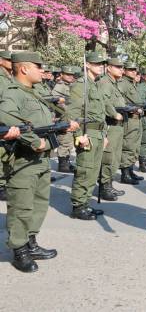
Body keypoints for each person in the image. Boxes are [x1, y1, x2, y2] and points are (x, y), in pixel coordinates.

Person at [0, 51, 78, 272]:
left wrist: (62, 125)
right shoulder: (12, 93)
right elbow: (7, 119)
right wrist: (36, 142)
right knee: (22, 206)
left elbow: (42, 121)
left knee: (39, 204)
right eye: (38, 66)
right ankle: (19, 250)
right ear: (24, 68)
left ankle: (31, 242)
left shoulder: (35, 92)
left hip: (41, 161)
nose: (43, 71)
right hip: (23, 161)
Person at [65, 52, 109, 220]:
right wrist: (78, 135)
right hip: (86, 133)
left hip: (97, 133)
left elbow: (101, 113)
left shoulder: (96, 84)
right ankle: (78, 206)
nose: (100, 66)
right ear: (87, 65)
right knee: (84, 170)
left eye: (101, 63)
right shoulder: (80, 85)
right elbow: (73, 113)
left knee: (93, 172)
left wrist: (104, 134)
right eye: (96, 63)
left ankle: (85, 203)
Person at [97, 57, 127, 200]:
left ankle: (109, 183)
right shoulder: (105, 82)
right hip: (110, 124)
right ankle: (104, 187)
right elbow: (104, 101)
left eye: (122, 67)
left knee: (115, 157)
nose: (121, 69)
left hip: (118, 126)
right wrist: (114, 114)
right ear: (108, 68)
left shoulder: (114, 83)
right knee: (108, 157)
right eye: (117, 67)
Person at [118, 62, 145, 185]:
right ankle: (125, 174)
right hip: (129, 118)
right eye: (131, 70)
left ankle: (130, 170)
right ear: (124, 70)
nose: (134, 72)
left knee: (135, 146)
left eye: (135, 70)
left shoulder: (132, 83)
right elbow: (120, 102)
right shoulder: (123, 83)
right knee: (128, 145)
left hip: (137, 119)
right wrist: (132, 108)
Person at [52, 65, 77, 173]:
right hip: (62, 117)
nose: (71, 76)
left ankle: (66, 162)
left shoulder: (69, 85)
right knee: (65, 141)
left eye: (72, 75)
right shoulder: (60, 86)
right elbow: (55, 102)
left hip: (69, 116)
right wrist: (64, 110)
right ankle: (62, 165)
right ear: (61, 75)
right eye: (68, 74)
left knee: (69, 141)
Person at [0, 50, 14, 201]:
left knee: (6, 153)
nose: (12, 62)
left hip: (8, 119)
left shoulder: (10, 77)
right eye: (9, 60)